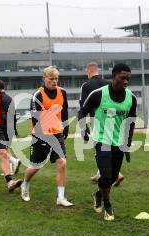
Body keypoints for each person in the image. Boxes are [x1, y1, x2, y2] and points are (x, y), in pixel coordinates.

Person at [78, 63, 137, 221]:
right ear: (114, 77)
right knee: (105, 176)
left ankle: (97, 194)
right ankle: (108, 205)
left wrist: (127, 144)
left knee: (112, 178)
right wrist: (84, 129)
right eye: (122, 78)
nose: (126, 81)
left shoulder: (131, 98)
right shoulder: (99, 94)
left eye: (128, 79)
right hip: (101, 139)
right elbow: (82, 111)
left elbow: (131, 123)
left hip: (118, 142)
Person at [20, 66, 73, 207]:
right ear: (44, 79)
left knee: (62, 163)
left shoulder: (62, 92)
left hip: (56, 134)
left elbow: (65, 110)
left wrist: (66, 126)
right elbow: (34, 118)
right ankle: (25, 185)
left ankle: (60, 197)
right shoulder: (38, 95)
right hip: (40, 135)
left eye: (56, 79)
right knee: (36, 166)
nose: (54, 81)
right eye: (51, 79)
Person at [79, 61, 124, 186]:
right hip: (112, 120)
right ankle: (100, 173)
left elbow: (83, 106)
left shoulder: (86, 85)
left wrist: (84, 126)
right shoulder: (108, 83)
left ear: (88, 71)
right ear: (97, 70)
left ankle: (117, 174)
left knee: (100, 149)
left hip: (97, 120)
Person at [0, 80, 21, 175]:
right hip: (10, 127)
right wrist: (14, 129)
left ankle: (13, 163)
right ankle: (9, 170)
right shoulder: (10, 98)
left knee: (0, 150)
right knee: (6, 148)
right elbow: (13, 115)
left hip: (1, 127)